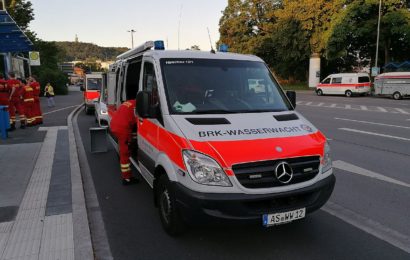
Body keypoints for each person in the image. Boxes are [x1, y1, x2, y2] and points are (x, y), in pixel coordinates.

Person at [110, 100, 139, 185]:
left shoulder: (131, 102)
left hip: (115, 124)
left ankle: (126, 175)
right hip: (122, 129)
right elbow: (140, 121)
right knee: (125, 153)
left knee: (125, 147)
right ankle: (127, 178)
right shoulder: (139, 107)